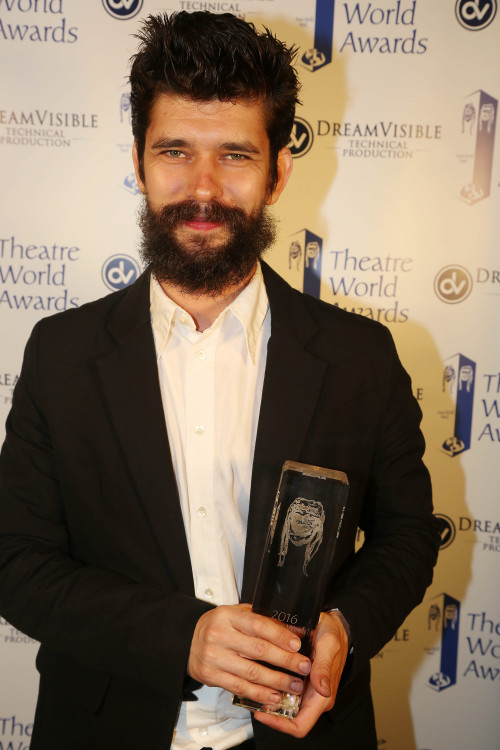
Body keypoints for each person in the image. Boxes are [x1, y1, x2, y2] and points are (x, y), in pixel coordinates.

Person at [0, 11, 440, 750]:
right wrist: (183, 636)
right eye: (175, 150)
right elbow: (15, 560)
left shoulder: (360, 355)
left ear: (278, 172)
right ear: (139, 162)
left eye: (235, 155)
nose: (201, 188)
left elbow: (409, 535)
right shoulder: (61, 353)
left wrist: (343, 626)